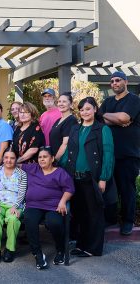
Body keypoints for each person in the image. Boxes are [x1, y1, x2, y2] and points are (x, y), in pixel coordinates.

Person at [61, 97, 115, 257]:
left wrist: (103, 178)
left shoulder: (103, 129)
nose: (84, 112)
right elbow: (67, 154)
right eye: (82, 109)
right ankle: (81, 245)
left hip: (92, 178)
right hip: (74, 178)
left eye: (88, 109)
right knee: (79, 213)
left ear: (95, 110)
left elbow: (108, 155)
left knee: (94, 214)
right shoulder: (75, 129)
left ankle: (93, 248)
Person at [100, 71, 140, 236]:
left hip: (128, 153)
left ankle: (128, 221)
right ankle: (110, 219)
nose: (114, 83)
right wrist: (111, 118)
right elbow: (99, 118)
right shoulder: (108, 101)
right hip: (108, 154)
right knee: (108, 189)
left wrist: (116, 119)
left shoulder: (134, 100)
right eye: (112, 81)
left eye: (118, 80)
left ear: (126, 81)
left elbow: (124, 118)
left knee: (126, 189)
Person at [23, 147, 74, 269]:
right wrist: (26, 155)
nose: (41, 159)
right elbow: (13, 163)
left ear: (52, 159)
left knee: (54, 222)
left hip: (53, 206)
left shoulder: (60, 172)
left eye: (45, 157)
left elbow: (69, 189)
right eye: (40, 157)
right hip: (34, 205)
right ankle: (37, 254)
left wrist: (63, 201)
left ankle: (60, 250)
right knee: (29, 219)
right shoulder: (33, 168)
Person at [0, 148, 27, 264]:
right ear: (3, 158)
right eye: (6, 157)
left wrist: (15, 206)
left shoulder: (22, 174)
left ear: (16, 159)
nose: (8, 160)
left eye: (12, 158)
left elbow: (22, 193)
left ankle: (10, 249)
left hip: (15, 204)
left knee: (13, 219)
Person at [49, 92, 78, 161]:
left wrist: (55, 160)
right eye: (59, 101)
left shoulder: (71, 120)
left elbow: (65, 144)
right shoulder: (58, 120)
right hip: (54, 157)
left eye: (64, 101)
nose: (61, 104)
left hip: (62, 161)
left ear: (70, 105)